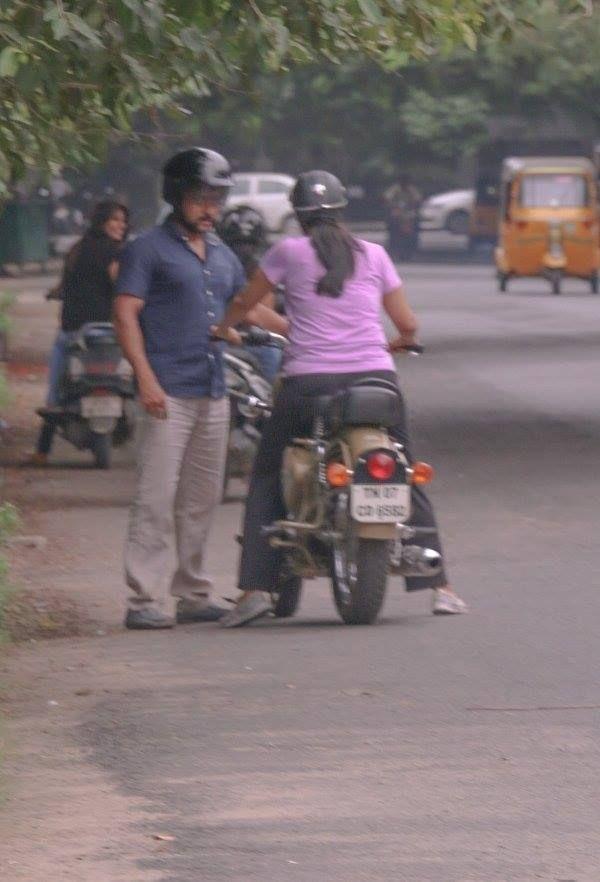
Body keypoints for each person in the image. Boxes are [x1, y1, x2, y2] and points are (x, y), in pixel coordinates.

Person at [212, 169, 467, 627]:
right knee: (404, 467)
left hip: (308, 385)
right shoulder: (375, 254)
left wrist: (223, 328)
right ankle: (441, 586)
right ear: (341, 209)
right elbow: (407, 324)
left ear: (299, 214)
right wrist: (396, 343)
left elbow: (246, 301)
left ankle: (255, 588)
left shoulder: (288, 252)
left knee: (268, 472)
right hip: (375, 381)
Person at [113, 147, 247, 630]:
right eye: (200, 198)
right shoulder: (146, 249)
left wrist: (305, 328)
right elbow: (126, 314)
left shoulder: (223, 255)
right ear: (176, 197)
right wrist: (145, 378)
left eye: (216, 199)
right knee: (154, 497)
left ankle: (192, 592)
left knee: (201, 498)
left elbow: (244, 308)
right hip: (166, 390)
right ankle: (144, 600)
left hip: (212, 389)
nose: (210, 208)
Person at [26, 200, 129, 465]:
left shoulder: (77, 250)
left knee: (55, 395)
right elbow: (122, 285)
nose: (121, 225)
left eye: (123, 221)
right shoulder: (118, 252)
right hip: (110, 333)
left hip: (74, 333)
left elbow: (65, 284)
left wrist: (54, 294)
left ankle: (42, 451)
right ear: (103, 222)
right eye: (115, 220)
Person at [217, 207, 282, 382]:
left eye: (249, 244)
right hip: (218, 338)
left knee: (272, 353)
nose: (243, 250)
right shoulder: (215, 268)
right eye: (237, 244)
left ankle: (270, 404)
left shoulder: (261, 272)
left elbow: (260, 316)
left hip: (253, 340)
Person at [384, 174, 421, 261]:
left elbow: (417, 199)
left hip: (409, 213)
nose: (404, 184)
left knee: (415, 230)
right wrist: (393, 206)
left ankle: (412, 250)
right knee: (393, 229)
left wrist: (413, 205)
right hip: (397, 213)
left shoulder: (411, 190)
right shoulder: (395, 189)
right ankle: (394, 250)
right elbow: (387, 198)